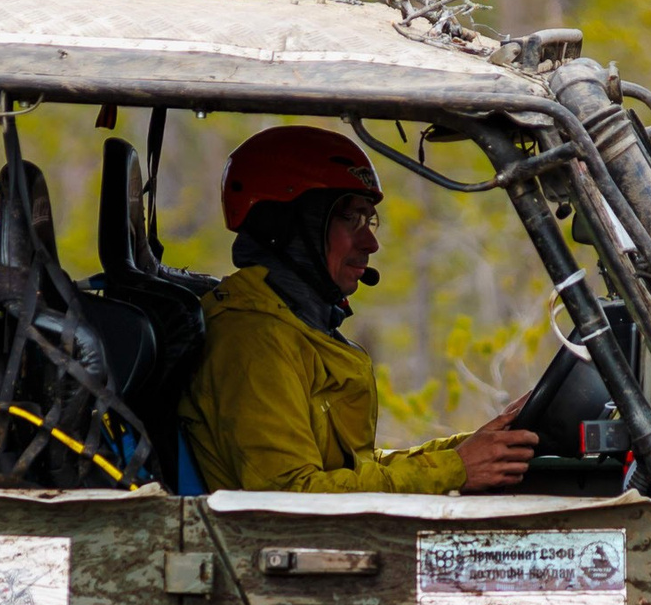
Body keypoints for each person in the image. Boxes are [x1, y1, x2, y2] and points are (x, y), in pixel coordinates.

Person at [178, 126, 540, 494]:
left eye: (369, 220)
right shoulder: (254, 341)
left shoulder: (296, 327)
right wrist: (453, 470)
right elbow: (290, 495)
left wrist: (472, 449)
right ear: (288, 226)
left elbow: (354, 468)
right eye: (350, 219)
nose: (370, 242)